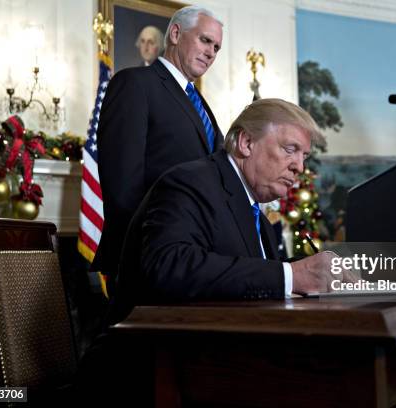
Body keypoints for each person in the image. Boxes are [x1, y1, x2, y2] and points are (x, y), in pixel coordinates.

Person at [110, 99, 355, 322]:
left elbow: (249, 272)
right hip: (154, 357)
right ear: (246, 142)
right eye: (290, 150)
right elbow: (169, 267)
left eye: (305, 156)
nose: (299, 167)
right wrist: (291, 275)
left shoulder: (258, 215)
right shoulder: (189, 183)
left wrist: (314, 272)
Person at [93, 5, 224, 293]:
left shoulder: (199, 102)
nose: (212, 52)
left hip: (195, 259)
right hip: (147, 260)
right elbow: (122, 186)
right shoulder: (134, 84)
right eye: (205, 40)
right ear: (175, 33)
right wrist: (153, 251)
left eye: (216, 46)